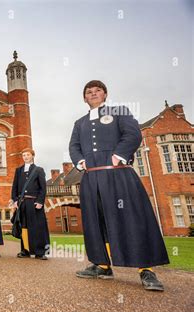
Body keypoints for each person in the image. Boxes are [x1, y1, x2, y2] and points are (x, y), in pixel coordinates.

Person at [69, 80, 169, 291]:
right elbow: (74, 145)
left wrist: (119, 156)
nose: (93, 94)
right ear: (84, 98)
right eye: (89, 92)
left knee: (133, 218)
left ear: (105, 94)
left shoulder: (119, 112)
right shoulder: (79, 123)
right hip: (92, 178)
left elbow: (133, 134)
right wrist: (80, 162)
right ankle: (102, 265)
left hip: (118, 174)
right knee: (97, 222)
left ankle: (146, 270)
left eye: (97, 91)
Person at [10, 148, 50, 259]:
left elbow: (43, 188)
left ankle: (40, 252)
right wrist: (15, 200)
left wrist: (40, 201)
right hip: (22, 203)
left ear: (32, 156)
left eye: (27, 155)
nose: (25, 157)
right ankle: (25, 250)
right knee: (24, 226)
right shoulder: (18, 170)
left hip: (34, 202)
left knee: (38, 226)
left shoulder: (39, 170)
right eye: (24, 155)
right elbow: (15, 187)